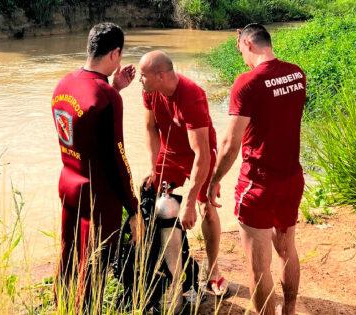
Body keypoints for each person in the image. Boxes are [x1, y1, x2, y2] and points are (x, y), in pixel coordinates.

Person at [207, 23, 307, 315]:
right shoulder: (297, 73)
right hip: (291, 178)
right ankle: (288, 311)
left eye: (240, 50)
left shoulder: (247, 82)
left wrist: (215, 179)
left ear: (248, 44)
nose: (241, 57)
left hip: (258, 182)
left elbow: (230, 142)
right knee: (287, 248)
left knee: (258, 265)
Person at [51, 22, 143, 311]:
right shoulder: (106, 98)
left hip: (69, 184)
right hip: (98, 196)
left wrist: (113, 85)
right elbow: (117, 156)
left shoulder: (64, 84)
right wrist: (133, 207)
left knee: (67, 256)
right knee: (94, 268)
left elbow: (83, 131)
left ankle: (60, 306)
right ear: (115, 54)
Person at [139, 50, 228, 297]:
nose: (140, 80)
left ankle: (214, 269)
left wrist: (190, 202)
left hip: (199, 156)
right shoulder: (150, 91)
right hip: (169, 153)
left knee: (206, 209)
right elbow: (150, 129)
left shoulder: (191, 95)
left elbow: (201, 153)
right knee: (159, 202)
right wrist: (153, 168)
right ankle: (174, 269)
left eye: (143, 76)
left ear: (160, 75)